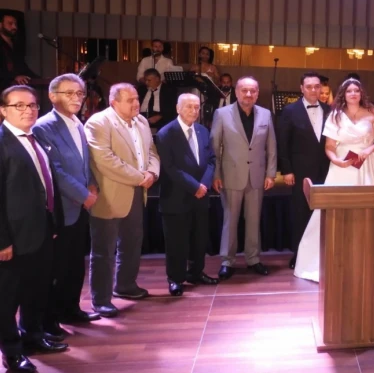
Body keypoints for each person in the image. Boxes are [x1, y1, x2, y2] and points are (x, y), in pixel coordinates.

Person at [294, 78, 374, 286]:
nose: (353, 94)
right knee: (336, 210)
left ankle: (369, 260)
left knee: (368, 211)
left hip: (368, 165)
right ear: (343, 94)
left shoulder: (371, 114)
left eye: (357, 90)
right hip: (342, 167)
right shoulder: (335, 116)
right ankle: (334, 260)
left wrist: (369, 149)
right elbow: (329, 146)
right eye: (349, 91)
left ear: (361, 94)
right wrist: (337, 161)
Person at [0, 85, 68, 372]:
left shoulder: (34, 137)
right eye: (19, 105)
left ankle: (33, 337)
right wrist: (2, 241)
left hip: (41, 231)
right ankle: (12, 353)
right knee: (7, 299)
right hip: (12, 238)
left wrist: (53, 223)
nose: (28, 110)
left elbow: (46, 185)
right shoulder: (2, 142)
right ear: (3, 110)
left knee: (36, 290)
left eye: (32, 105)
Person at [32, 74, 101, 336]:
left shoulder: (77, 123)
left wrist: (91, 184)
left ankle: (71, 309)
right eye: (69, 93)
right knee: (57, 268)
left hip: (80, 206)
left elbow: (85, 162)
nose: (77, 98)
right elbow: (55, 171)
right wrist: (83, 194)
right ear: (52, 96)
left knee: (74, 264)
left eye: (80, 93)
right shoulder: (43, 127)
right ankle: (50, 321)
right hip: (61, 208)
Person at [85, 83, 160, 317]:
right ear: (114, 102)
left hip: (137, 191)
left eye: (137, 98)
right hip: (109, 195)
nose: (136, 103)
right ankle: (100, 300)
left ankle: (125, 285)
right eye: (130, 100)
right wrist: (140, 177)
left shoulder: (142, 122)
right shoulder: (98, 122)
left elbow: (152, 151)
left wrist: (152, 172)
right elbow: (104, 160)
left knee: (132, 243)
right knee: (104, 251)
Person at [211, 76, 277, 280]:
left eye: (253, 91)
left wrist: (271, 173)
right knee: (230, 220)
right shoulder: (222, 114)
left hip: (257, 176)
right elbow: (215, 147)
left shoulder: (265, 114)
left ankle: (253, 258)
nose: (249, 94)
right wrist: (216, 174)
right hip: (230, 176)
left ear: (257, 93)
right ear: (236, 92)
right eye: (244, 90)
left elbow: (271, 147)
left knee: (254, 220)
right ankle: (227, 261)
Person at [156, 94, 218, 296]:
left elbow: (211, 160)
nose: (193, 110)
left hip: (201, 196)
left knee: (199, 239)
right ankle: (175, 278)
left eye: (196, 107)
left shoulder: (203, 130)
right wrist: (194, 186)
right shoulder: (166, 133)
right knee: (177, 241)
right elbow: (170, 167)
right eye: (189, 106)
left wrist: (204, 185)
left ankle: (196, 272)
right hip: (176, 196)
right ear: (178, 108)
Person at [277, 72, 331, 269]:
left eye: (317, 86)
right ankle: (299, 254)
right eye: (309, 87)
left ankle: (321, 252)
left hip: (326, 170)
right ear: (301, 88)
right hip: (300, 172)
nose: (313, 90)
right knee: (300, 213)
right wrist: (287, 170)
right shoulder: (290, 111)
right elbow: (282, 142)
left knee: (322, 213)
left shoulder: (329, 110)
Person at [0, 13, 38, 90]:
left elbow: (22, 66)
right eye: (10, 23)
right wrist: (14, 77)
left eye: (15, 24)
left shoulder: (16, 45)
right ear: (0, 25)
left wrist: (39, 79)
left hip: (12, 88)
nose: (14, 27)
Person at [137, 68, 177, 133]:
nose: (146, 83)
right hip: (142, 117)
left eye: (149, 80)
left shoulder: (169, 90)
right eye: (145, 80)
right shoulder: (141, 89)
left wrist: (160, 116)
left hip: (161, 118)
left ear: (157, 79)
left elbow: (172, 108)